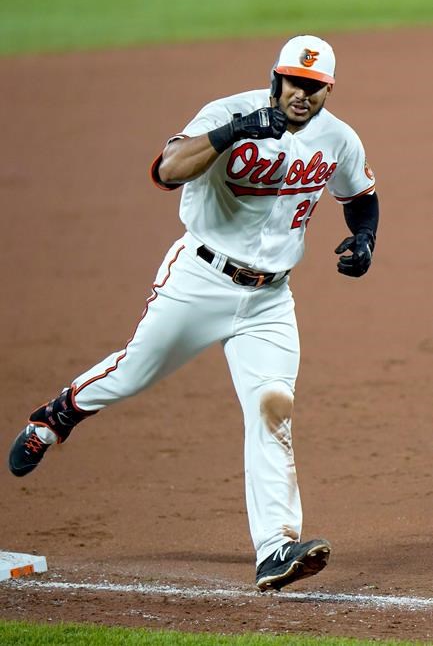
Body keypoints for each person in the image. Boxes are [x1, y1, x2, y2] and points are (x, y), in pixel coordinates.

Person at [8, 34, 379, 592]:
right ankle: (58, 415)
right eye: (294, 82)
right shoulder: (227, 112)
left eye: (315, 87)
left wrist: (365, 239)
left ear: (329, 90)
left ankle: (276, 547)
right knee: (134, 371)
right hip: (200, 278)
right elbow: (166, 170)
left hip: (270, 300)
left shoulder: (338, 139)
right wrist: (235, 132)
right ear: (276, 77)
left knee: (272, 409)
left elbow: (360, 197)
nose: (302, 95)